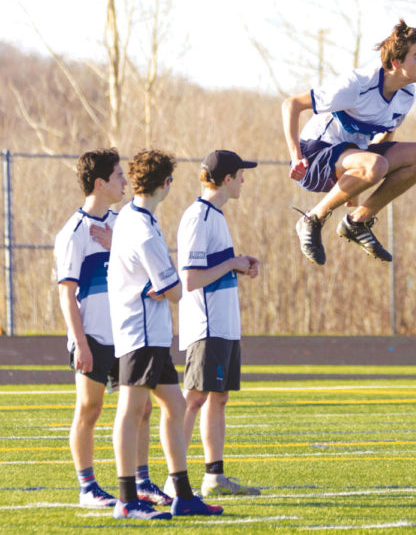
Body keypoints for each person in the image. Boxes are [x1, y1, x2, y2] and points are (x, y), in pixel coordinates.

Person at [108, 149, 224, 520]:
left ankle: (183, 494)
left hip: (149, 332)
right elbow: (175, 290)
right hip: (140, 332)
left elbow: (165, 284)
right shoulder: (142, 227)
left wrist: (163, 285)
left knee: (174, 406)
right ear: (165, 184)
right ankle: (127, 499)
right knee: (130, 411)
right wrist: (165, 286)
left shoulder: (135, 216)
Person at [54, 147, 171, 509]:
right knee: (90, 408)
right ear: (100, 182)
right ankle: (88, 487)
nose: (125, 181)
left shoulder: (125, 223)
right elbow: (67, 295)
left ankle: (142, 481)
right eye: (118, 176)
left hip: (128, 335)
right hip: (92, 336)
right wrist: (80, 343)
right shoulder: (73, 232)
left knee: (142, 410)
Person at [282, 19, 416, 265]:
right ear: (396, 62)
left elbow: (387, 133)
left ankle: (358, 222)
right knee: (376, 165)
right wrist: (295, 156)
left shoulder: (406, 94)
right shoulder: (357, 85)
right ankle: (313, 219)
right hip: (316, 156)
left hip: (355, 156)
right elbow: (291, 105)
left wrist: (359, 181)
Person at [174, 149, 261, 497]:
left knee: (217, 398)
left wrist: (239, 263)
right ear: (227, 179)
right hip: (206, 326)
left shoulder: (216, 216)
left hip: (224, 325)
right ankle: (174, 477)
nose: (244, 180)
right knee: (194, 397)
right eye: (241, 174)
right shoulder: (199, 216)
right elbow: (191, 279)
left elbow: (215, 268)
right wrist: (232, 264)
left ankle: (214, 477)